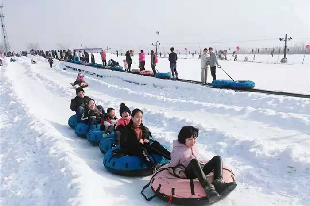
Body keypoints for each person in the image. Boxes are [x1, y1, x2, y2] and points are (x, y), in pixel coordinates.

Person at [169, 126, 237, 201]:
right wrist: (179, 172)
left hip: (198, 170)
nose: (193, 141)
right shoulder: (177, 150)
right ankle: (209, 189)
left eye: (194, 138)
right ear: (183, 139)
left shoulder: (194, 146)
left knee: (217, 158)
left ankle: (218, 183)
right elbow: (172, 166)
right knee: (194, 161)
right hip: (188, 173)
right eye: (190, 139)